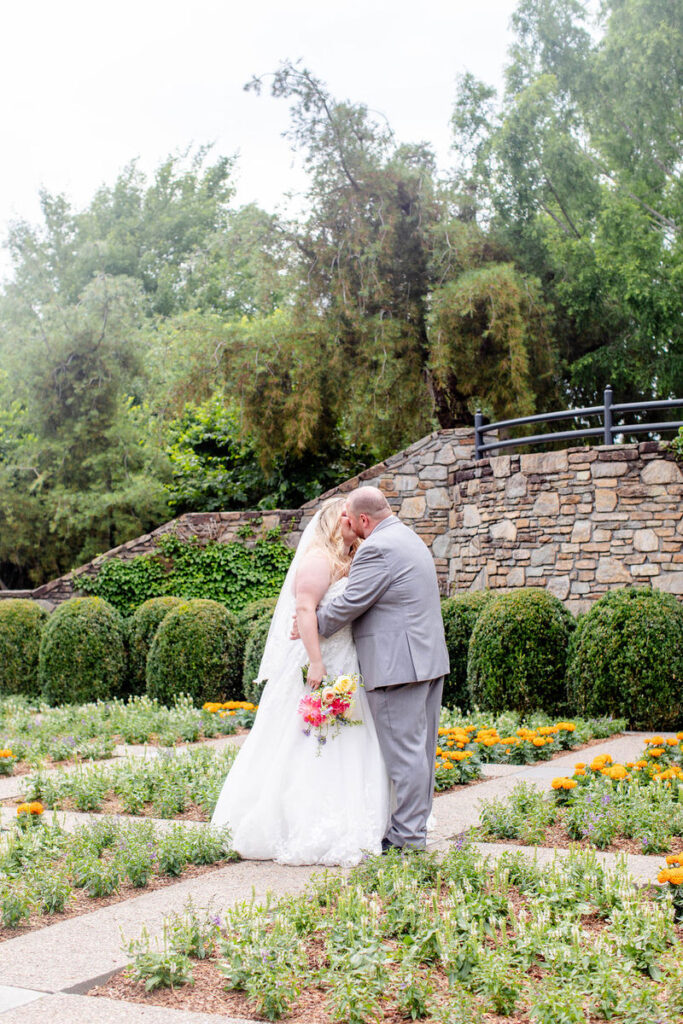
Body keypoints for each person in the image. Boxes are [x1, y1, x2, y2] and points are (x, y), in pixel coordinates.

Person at [210, 496, 391, 866]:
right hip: (321, 662)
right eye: (343, 515)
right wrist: (315, 662)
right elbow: (305, 609)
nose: (350, 521)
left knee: (351, 739)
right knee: (304, 740)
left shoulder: (353, 559)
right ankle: (297, 822)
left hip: (348, 664)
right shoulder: (316, 559)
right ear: (330, 522)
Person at [314, 486, 450, 852]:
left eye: (350, 519)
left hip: (397, 667)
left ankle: (407, 840)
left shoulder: (376, 548)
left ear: (363, 520)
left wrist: (312, 621)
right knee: (419, 754)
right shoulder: (409, 538)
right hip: (426, 660)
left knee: (406, 755)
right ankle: (414, 831)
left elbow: (352, 602)